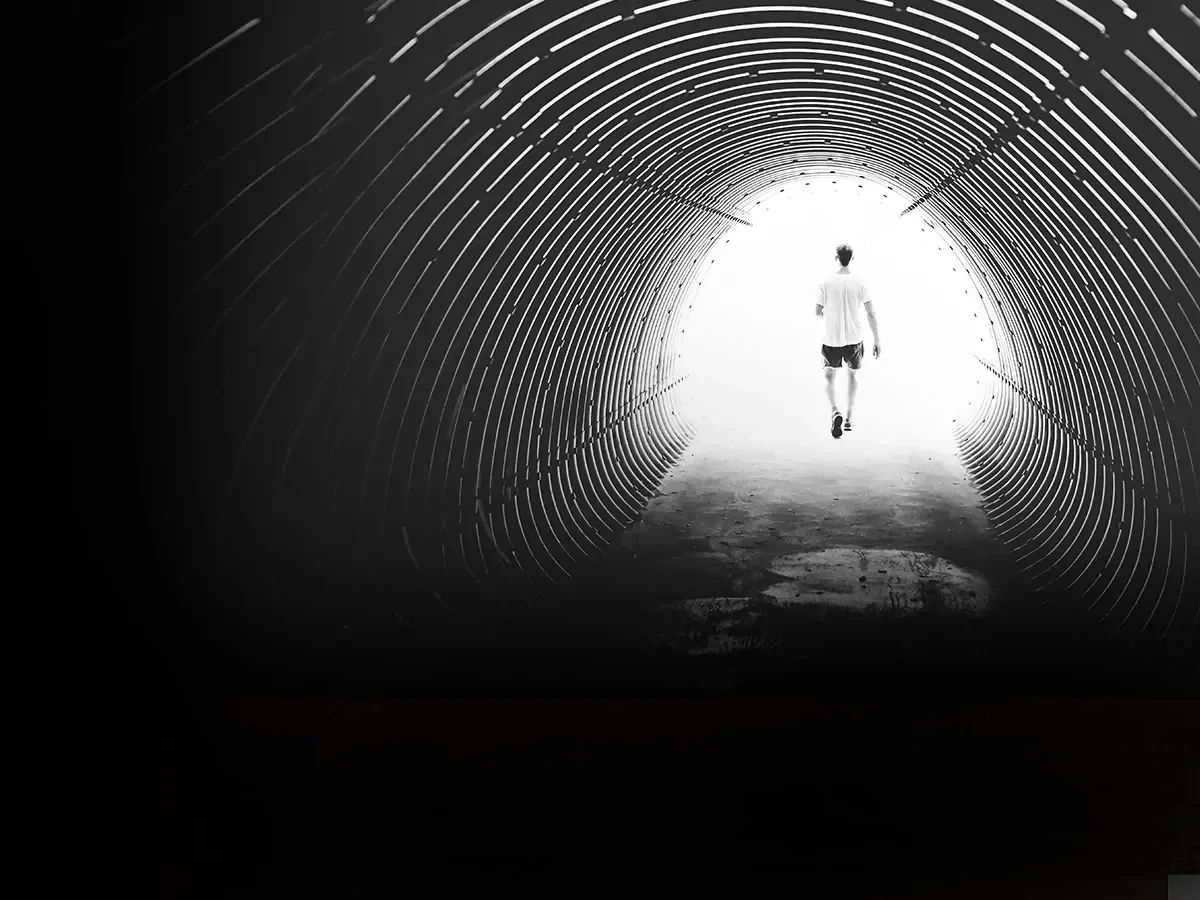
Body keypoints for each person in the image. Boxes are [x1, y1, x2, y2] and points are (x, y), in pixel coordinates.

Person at [815, 244, 881, 438]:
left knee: (829, 377)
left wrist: (830, 313)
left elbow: (818, 312)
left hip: (831, 338)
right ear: (852, 258)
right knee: (852, 377)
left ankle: (835, 411)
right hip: (854, 338)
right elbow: (870, 313)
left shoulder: (825, 282)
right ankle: (850, 417)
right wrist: (877, 339)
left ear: (836, 258)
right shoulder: (860, 282)